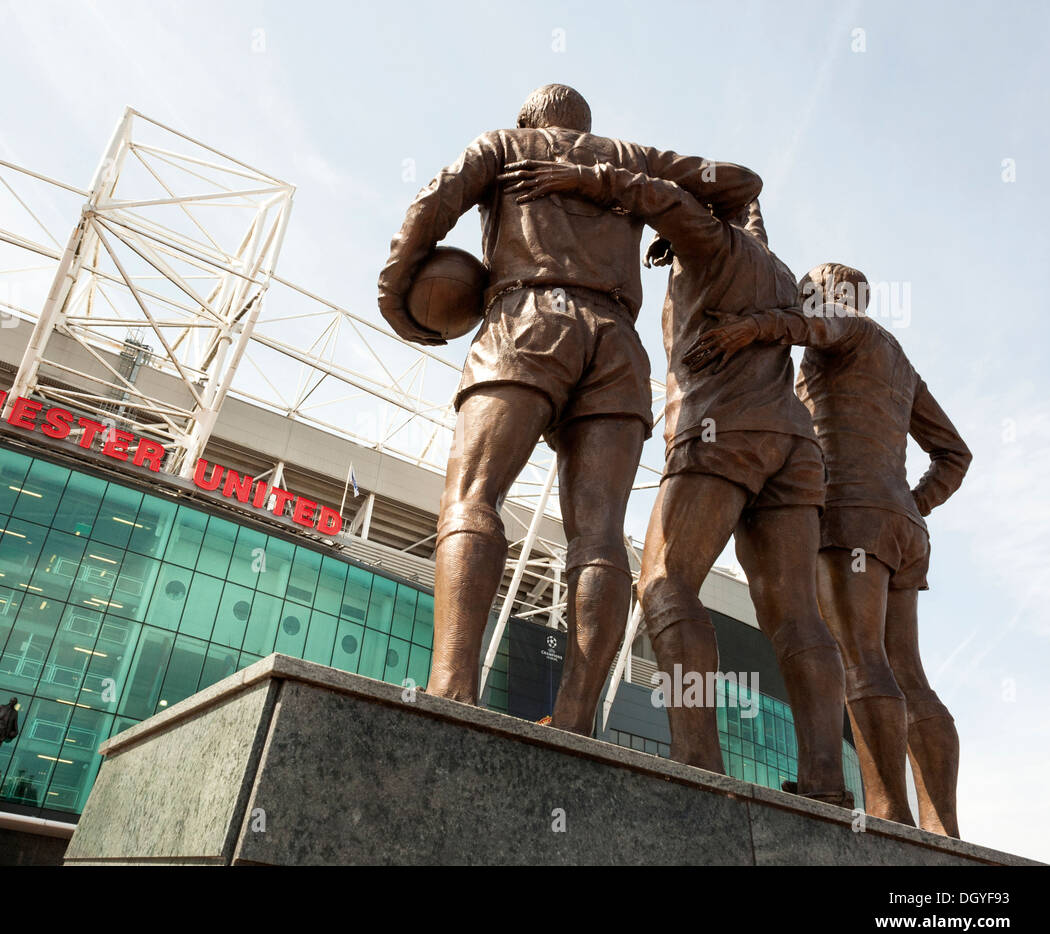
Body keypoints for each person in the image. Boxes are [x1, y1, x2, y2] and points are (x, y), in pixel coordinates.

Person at [378, 84, 762, 734]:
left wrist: (397, 301)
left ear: (528, 118)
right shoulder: (628, 159)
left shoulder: (505, 145)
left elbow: (427, 210)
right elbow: (741, 183)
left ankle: (452, 686)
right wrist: (657, 207)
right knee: (600, 535)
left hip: (527, 319)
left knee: (473, 497)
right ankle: (578, 718)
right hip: (617, 341)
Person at [499, 160, 851, 805]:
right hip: (794, 448)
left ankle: (700, 763)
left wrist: (582, 177)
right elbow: (737, 216)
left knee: (665, 583)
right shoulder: (771, 266)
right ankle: (828, 783)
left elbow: (656, 192)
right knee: (799, 618)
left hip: (722, 434)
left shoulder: (711, 239)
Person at [686, 263, 970, 833]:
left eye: (809, 294)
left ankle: (888, 812)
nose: (805, 301)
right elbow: (955, 454)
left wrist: (752, 328)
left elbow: (811, 330)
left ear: (832, 294)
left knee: (860, 659)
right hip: (902, 527)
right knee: (909, 673)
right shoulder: (900, 362)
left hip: (848, 517)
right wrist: (914, 503)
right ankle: (943, 832)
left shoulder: (847, 326)